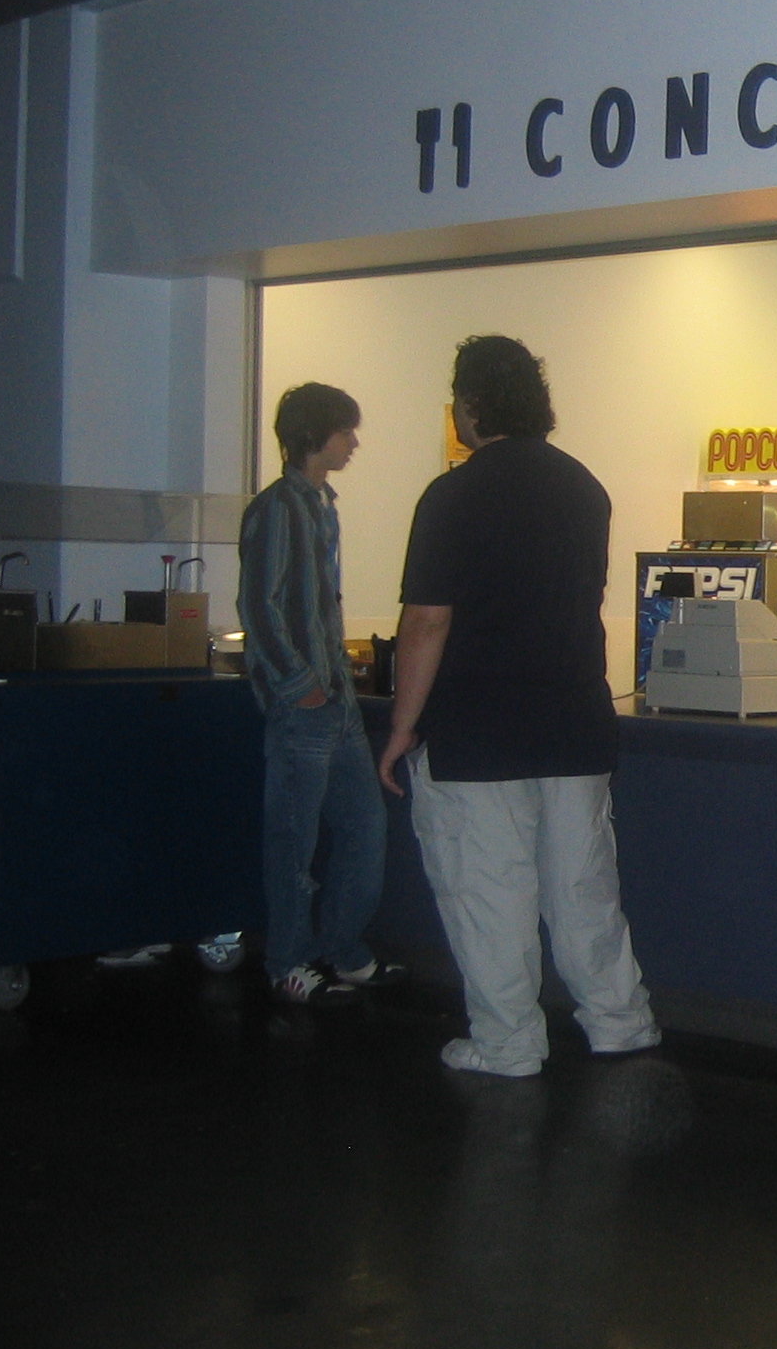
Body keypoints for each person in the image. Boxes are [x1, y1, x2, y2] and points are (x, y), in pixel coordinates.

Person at [376, 336, 658, 1077]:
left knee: (490, 892)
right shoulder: (584, 487)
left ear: (471, 404)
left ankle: (509, 1043)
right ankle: (619, 1022)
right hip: (574, 721)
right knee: (583, 887)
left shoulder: (452, 495)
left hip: (479, 731)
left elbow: (426, 623)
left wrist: (401, 727)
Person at [238, 382, 392, 1005]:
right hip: (307, 707)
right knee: (293, 843)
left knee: (364, 829)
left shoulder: (321, 505)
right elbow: (260, 606)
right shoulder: (279, 508)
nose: (354, 442)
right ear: (314, 434)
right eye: (345, 430)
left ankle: (341, 949)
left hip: (336, 703)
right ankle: (288, 962)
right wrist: (300, 685)